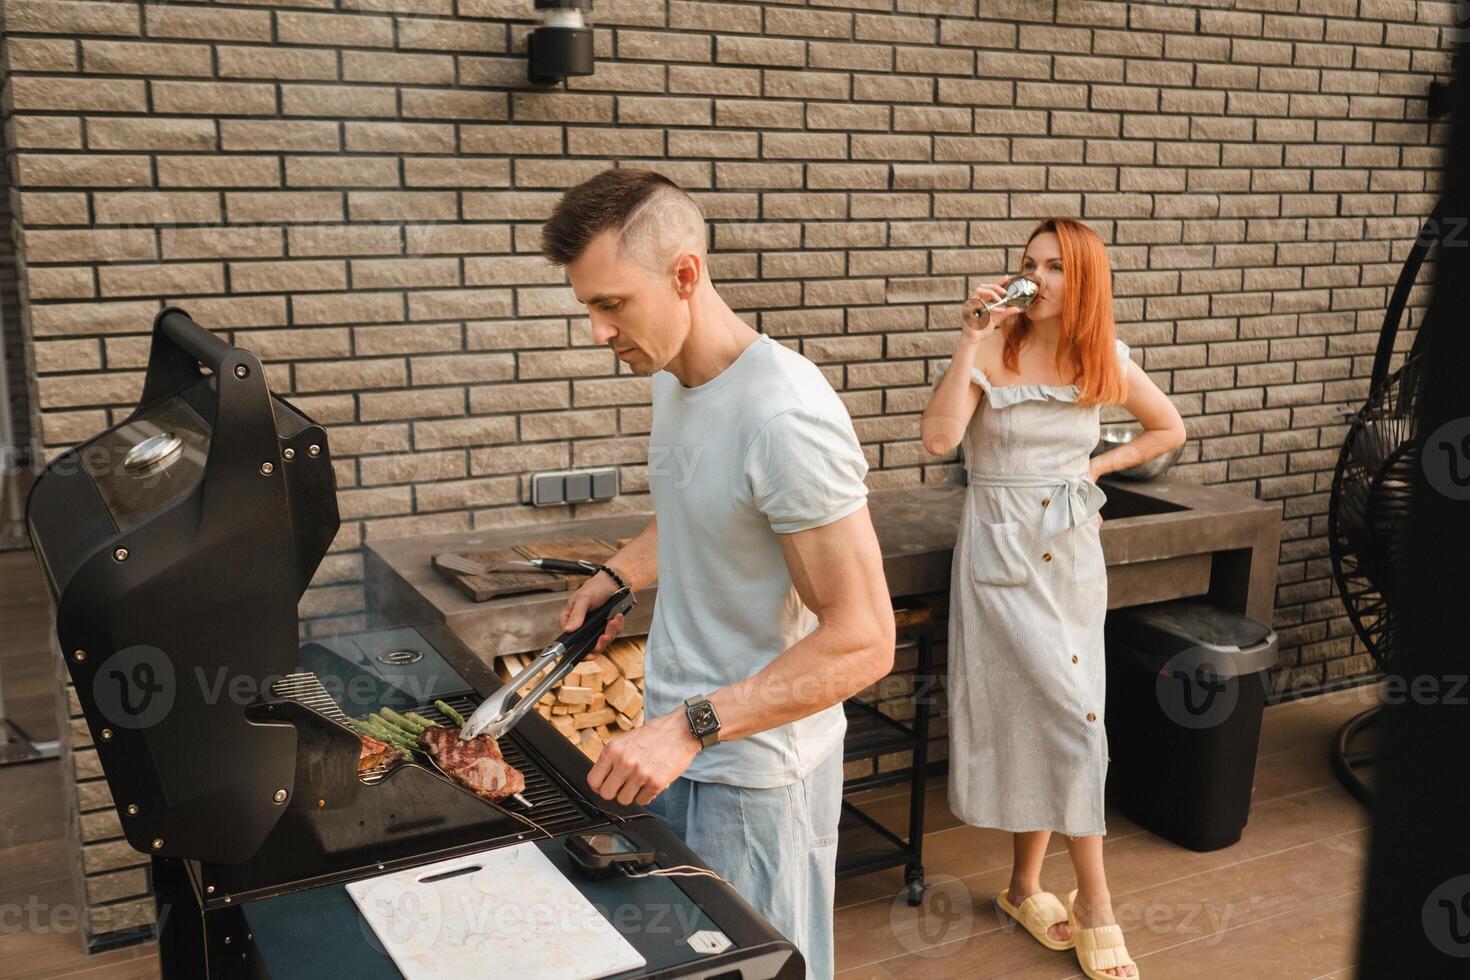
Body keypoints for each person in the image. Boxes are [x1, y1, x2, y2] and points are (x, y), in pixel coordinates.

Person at [539, 167, 897, 980]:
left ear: (685, 274)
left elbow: (865, 640)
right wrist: (620, 573)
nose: (597, 331)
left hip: (756, 778)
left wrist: (686, 726)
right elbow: (701, 504)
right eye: (587, 306)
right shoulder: (676, 377)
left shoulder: (785, 416)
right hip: (681, 748)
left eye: (612, 305)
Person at [920, 218, 1185, 980]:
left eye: (1054, 267)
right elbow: (938, 441)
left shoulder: (1101, 355)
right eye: (1028, 263)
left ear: (1084, 282)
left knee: (1067, 713)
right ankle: (1096, 903)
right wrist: (968, 337)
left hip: (1068, 553)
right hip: (998, 550)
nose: (1034, 277)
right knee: (1062, 717)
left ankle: (1023, 888)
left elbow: (1168, 427)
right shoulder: (992, 348)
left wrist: (1099, 468)